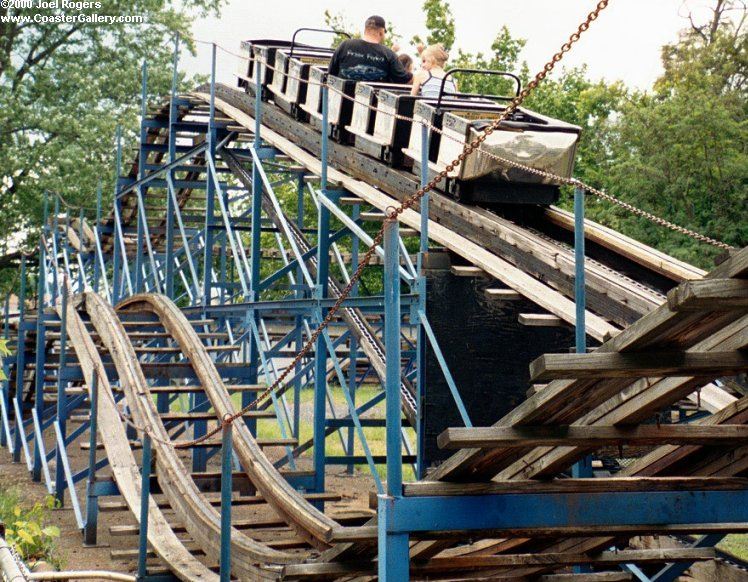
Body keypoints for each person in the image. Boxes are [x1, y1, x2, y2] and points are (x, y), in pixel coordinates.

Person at [328, 15, 412, 84]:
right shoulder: (388, 54)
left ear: (365, 30)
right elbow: (404, 79)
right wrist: (419, 77)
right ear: (381, 32)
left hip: (341, 101)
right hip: (372, 104)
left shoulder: (345, 45)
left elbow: (331, 73)